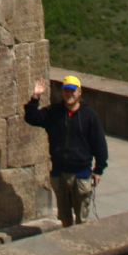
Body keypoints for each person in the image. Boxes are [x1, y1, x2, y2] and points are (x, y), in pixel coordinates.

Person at [24, 74, 108, 226]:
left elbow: (99, 144)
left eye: (72, 91)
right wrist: (35, 97)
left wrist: (99, 169)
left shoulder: (89, 116)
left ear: (79, 92)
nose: (69, 94)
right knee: (64, 218)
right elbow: (32, 118)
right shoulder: (54, 113)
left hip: (81, 174)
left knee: (82, 219)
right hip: (60, 172)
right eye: (66, 91)